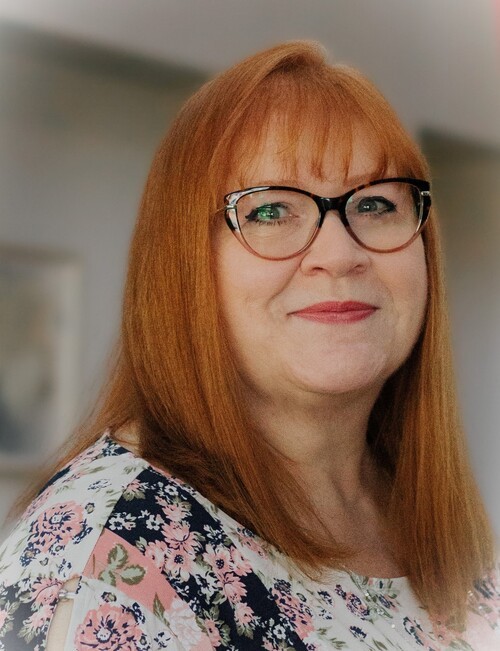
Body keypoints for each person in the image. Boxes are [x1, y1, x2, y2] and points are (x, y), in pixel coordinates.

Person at [0, 41, 498, 651]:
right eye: (270, 211)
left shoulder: (436, 524)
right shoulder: (112, 563)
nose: (339, 254)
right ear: (184, 265)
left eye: (374, 204)